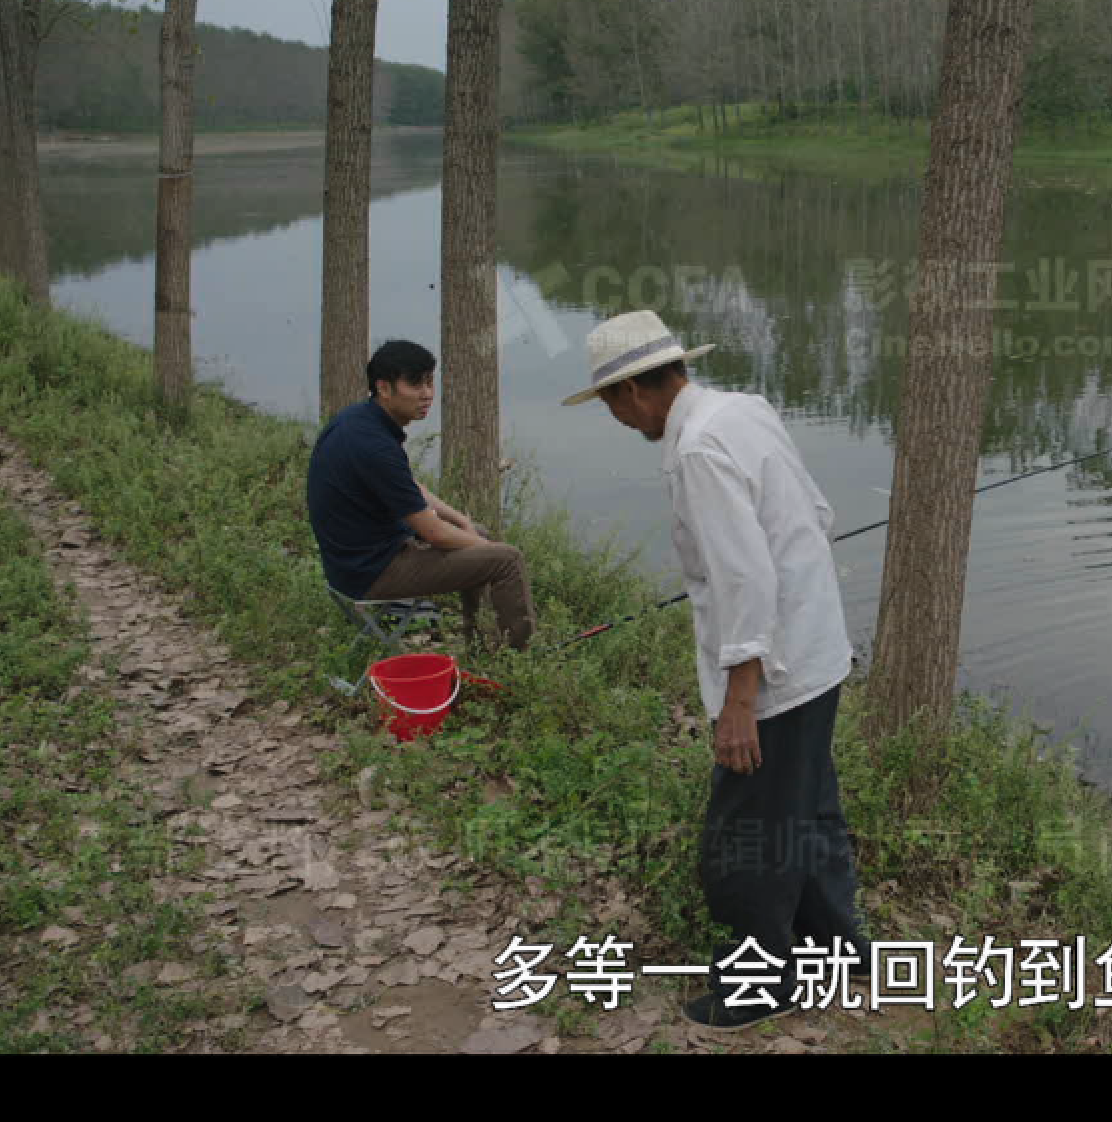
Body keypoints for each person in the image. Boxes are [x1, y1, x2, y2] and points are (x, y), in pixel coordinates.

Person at [565, 311, 864, 1032]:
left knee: (746, 834)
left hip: (778, 670)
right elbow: (815, 512)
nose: (616, 418)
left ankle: (764, 983)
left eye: (611, 403)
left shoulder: (697, 449)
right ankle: (836, 948)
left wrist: (740, 701)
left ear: (633, 391)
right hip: (819, 646)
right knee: (808, 808)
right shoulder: (743, 409)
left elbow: (743, 578)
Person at [307, 339, 537, 651]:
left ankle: (480, 641)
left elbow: (410, 486)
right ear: (384, 388)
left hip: (356, 561)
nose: (427, 393)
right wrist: (490, 549)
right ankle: (520, 658)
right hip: (371, 572)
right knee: (507, 560)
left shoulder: (360, 420)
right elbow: (434, 533)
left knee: (477, 533)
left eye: (429, 382)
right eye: (415, 384)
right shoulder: (375, 447)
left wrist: (460, 519)